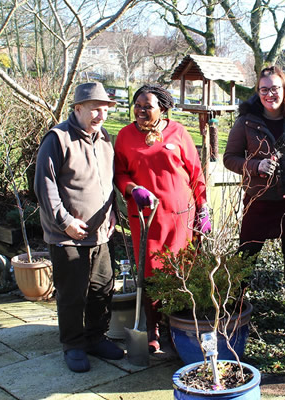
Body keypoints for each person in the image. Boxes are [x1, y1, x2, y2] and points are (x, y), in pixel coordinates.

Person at [114, 84, 210, 353]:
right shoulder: (124, 136)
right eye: (138, 105)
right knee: (149, 272)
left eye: (148, 106)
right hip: (145, 218)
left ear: (163, 109)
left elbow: (195, 173)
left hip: (180, 218)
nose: (141, 110)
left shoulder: (178, 132)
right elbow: (119, 173)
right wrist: (134, 189)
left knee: (180, 271)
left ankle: (177, 325)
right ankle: (153, 327)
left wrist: (203, 209)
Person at [35, 82, 123, 373]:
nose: (101, 114)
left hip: (100, 232)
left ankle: (96, 337)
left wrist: (112, 215)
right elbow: (44, 185)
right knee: (72, 293)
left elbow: (108, 184)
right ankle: (73, 345)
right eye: (95, 108)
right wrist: (66, 222)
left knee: (102, 287)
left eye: (105, 109)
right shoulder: (58, 138)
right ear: (78, 108)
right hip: (67, 235)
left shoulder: (104, 138)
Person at [223, 65, 285, 324]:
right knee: (247, 252)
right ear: (258, 92)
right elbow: (229, 158)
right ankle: (235, 302)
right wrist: (255, 167)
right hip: (259, 199)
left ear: (284, 90)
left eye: (275, 88)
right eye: (264, 89)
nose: (270, 94)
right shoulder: (246, 122)